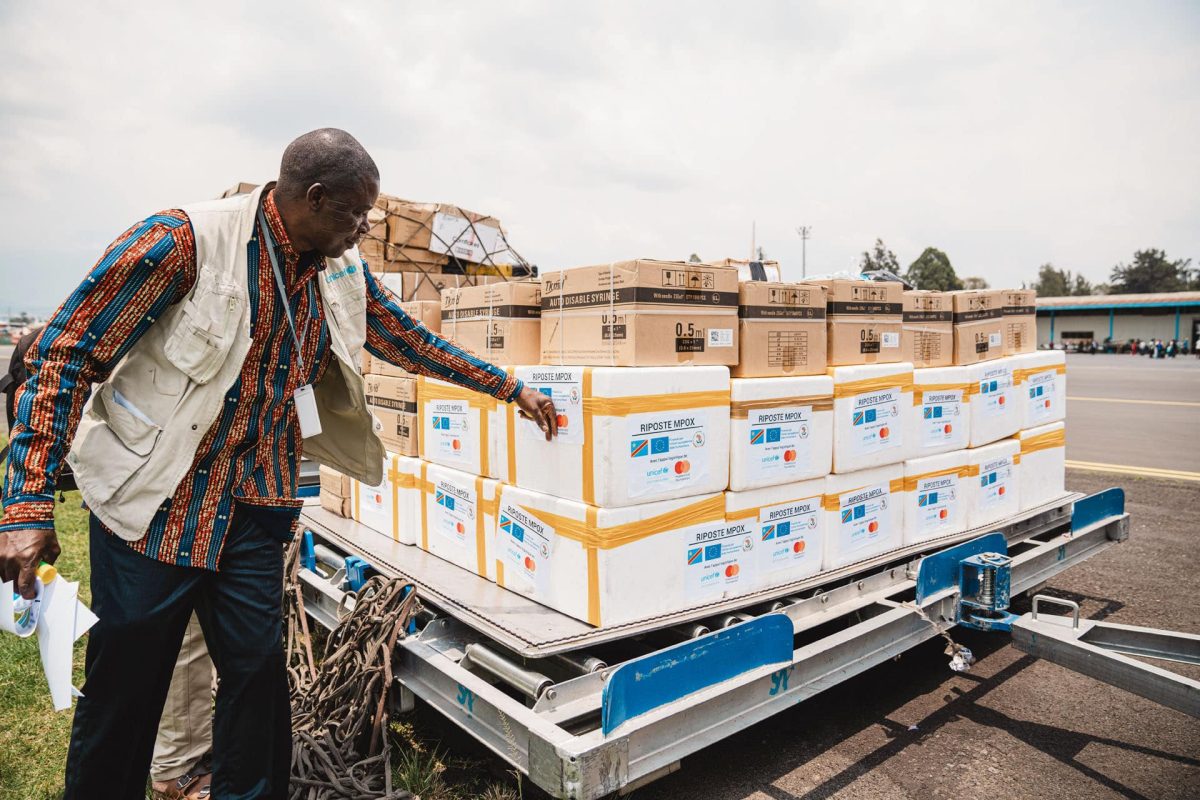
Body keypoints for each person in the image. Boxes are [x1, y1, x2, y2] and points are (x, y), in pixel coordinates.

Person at [0, 128, 558, 799]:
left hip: (255, 508)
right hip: (153, 508)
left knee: (258, 676)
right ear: (313, 198)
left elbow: (406, 340)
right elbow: (65, 353)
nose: (363, 229)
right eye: (355, 213)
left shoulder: (341, 272)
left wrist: (509, 387)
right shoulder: (181, 243)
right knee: (127, 686)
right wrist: (26, 503)